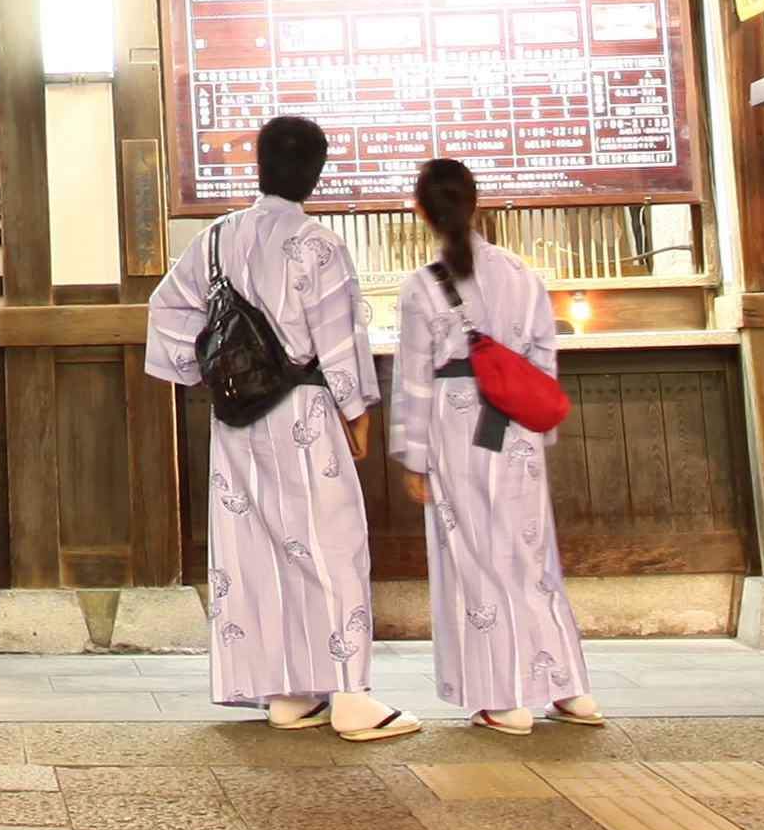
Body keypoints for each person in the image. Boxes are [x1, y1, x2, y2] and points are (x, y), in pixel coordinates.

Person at [142, 111, 416, 739]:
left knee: (256, 549)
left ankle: (287, 691)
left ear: (258, 164)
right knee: (330, 543)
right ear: (315, 173)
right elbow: (340, 336)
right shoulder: (319, 243)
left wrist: (206, 371)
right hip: (304, 411)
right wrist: (357, 412)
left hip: (237, 415)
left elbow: (167, 309)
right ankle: (350, 696)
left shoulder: (216, 239)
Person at [390, 155, 598, 734]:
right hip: (517, 426)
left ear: (420, 210)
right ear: (475, 203)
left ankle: (505, 697)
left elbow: (415, 377)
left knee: (475, 557)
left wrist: (413, 456)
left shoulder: (422, 286)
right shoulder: (520, 273)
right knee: (532, 556)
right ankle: (569, 687)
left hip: (457, 427)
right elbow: (542, 356)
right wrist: (539, 428)